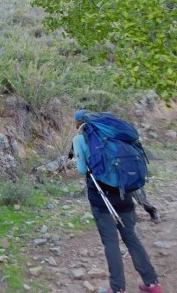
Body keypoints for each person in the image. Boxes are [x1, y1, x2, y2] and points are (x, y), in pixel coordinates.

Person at [72, 109, 163, 293]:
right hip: (125, 194)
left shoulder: (80, 139)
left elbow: (82, 170)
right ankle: (152, 283)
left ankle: (117, 288)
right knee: (131, 239)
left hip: (101, 199)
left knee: (111, 243)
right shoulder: (114, 136)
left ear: (79, 123)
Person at [68, 146, 161, 223]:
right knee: (131, 191)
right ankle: (145, 212)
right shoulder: (103, 130)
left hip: (116, 166)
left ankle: (149, 211)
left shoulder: (92, 133)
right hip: (120, 165)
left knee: (133, 191)